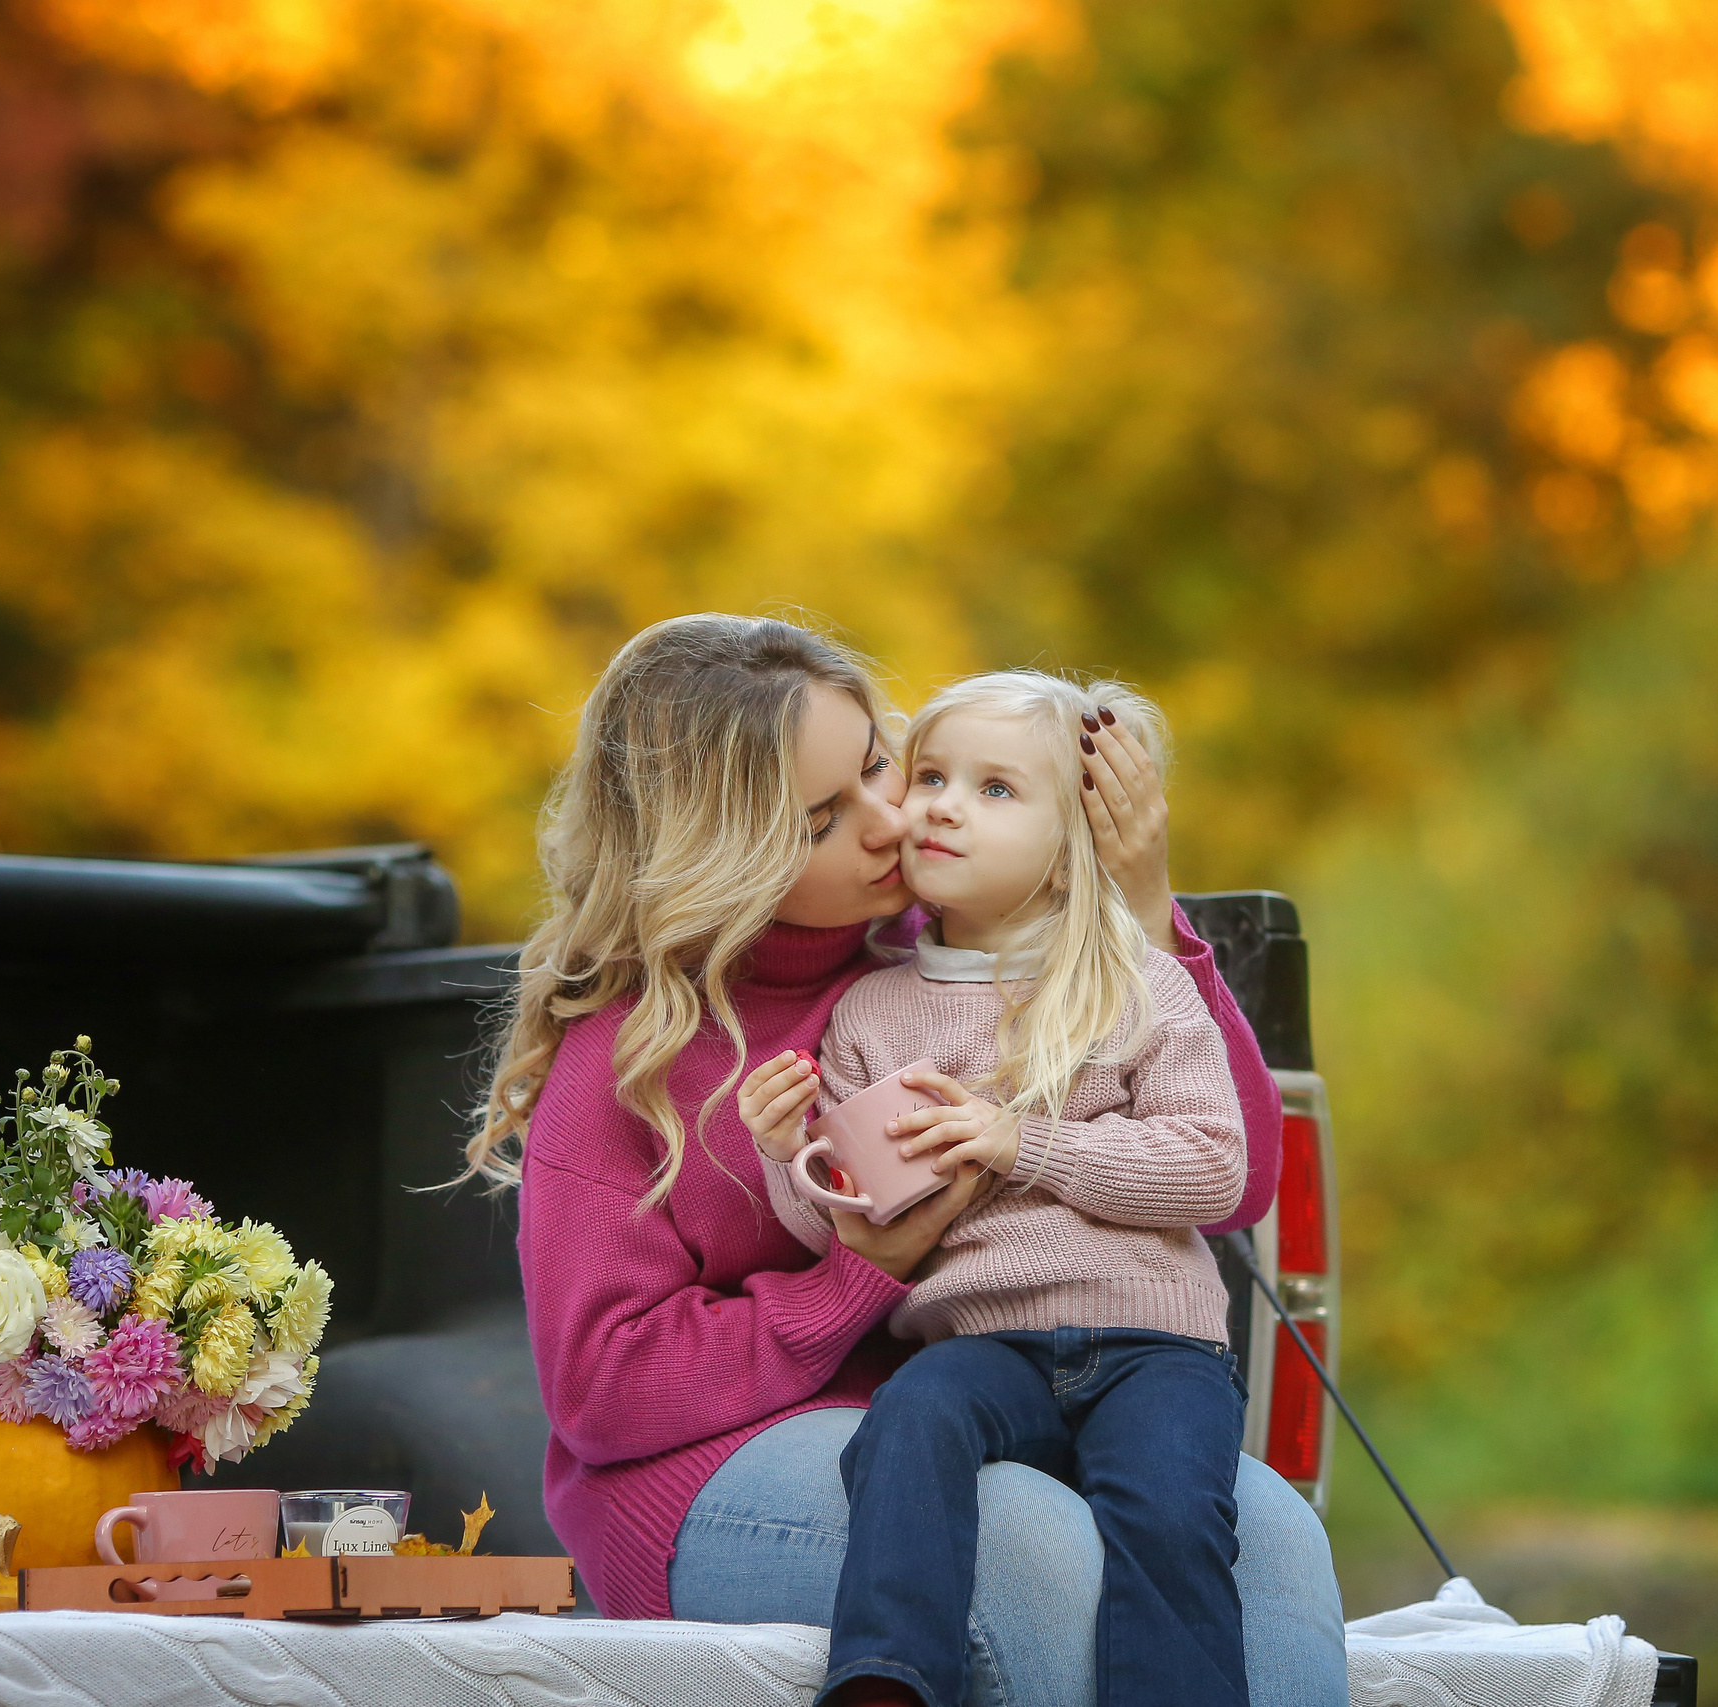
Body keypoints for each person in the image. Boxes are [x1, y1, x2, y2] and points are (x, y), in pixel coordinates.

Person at [468, 614, 1348, 1707]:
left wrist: (1136, 905)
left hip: (982, 1402)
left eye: (881, 762)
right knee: (1033, 1555)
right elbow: (605, 1393)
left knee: (1269, 1537)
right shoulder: (627, 1063)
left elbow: (1237, 1181)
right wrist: (856, 1274)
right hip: (710, 1465)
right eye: (826, 815)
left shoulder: (950, 958)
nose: (897, 816)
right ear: (731, 855)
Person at [741, 670, 1251, 1707]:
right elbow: (846, 1227)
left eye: (994, 790)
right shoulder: (872, 1013)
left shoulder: (1133, 981)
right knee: (905, 1426)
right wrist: (783, 1152)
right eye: (929, 775)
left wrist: (1026, 1144)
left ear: (1071, 847)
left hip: (1153, 1348)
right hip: (981, 1348)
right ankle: (887, 1679)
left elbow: (1213, 1166)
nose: (939, 804)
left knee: (1168, 1513)